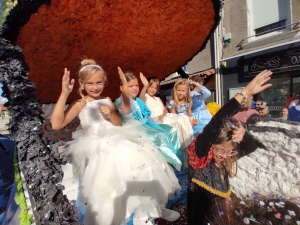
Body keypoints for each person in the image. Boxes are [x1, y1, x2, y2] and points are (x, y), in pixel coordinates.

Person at [50, 60, 181, 225]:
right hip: (97, 143)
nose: (95, 86)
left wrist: (110, 114)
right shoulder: (80, 103)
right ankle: (121, 215)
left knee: (146, 160)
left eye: (98, 82)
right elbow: (56, 124)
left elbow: (118, 123)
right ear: (82, 84)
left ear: (104, 82)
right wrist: (64, 94)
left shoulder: (107, 99)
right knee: (112, 170)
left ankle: (153, 208)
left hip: (117, 136)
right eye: (90, 83)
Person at [187, 70, 273, 224]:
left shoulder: (225, 158)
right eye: (220, 149)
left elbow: (252, 146)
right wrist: (245, 92)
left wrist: (243, 135)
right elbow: (217, 121)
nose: (224, 155)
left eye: (229, 151)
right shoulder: (201, 157)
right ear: (210, 143)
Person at [139, 76, 193, 149]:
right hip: (156, 119)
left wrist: (162, 115)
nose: (153, 90)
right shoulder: (145, 97)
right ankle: (184, 147)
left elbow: (165, 110)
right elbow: (140, 98)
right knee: (178, 124)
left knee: (184, 118)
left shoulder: (157, 98)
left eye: (155, 88)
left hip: (165, 116)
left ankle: (189, 144)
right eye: (151, 87)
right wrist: (145, 86)